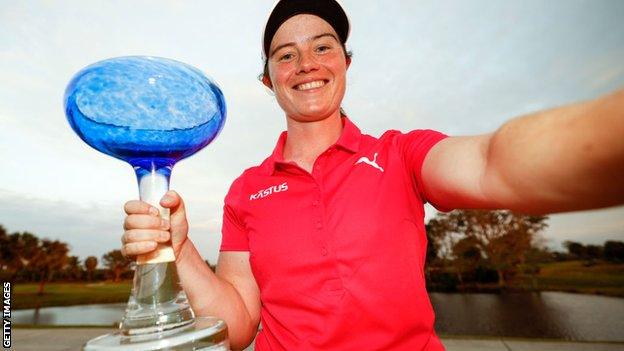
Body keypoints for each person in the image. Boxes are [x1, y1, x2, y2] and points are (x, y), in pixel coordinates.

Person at [120, 1, 624, 350]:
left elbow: (498, 162)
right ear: (267, 79)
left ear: (345, 62)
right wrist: (177, 248)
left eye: (323, 47)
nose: (305, 64)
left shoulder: (402, 154)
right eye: (285, 55)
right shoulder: (246, 190)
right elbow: (236, 328)